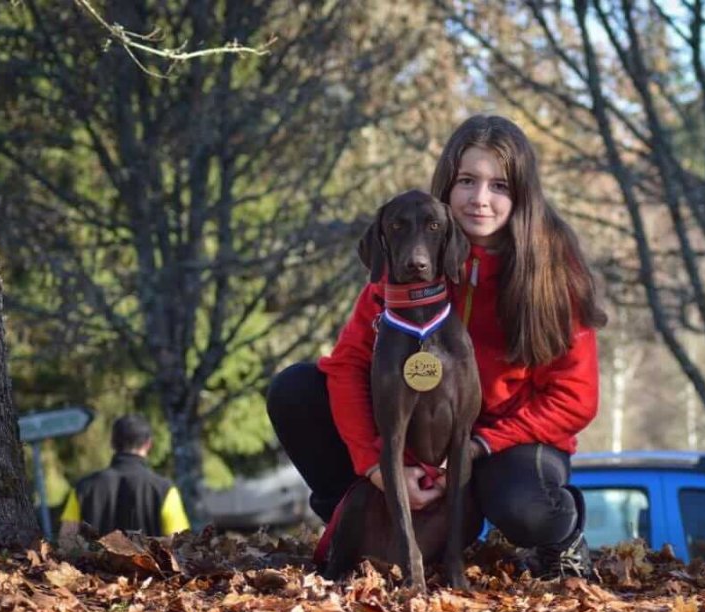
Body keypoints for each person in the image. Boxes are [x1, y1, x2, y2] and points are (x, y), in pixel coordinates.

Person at [267, 114, 607, 578]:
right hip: (413, 435)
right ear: (446, 184)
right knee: (297, 390)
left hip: (502, 441)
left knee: (525, 505)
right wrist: (377, 468)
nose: (480, 200)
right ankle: (360, 520)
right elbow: (347, 367)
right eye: (467, 180)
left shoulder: (554, 273)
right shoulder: (407, 259)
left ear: (522, 194)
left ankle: (560, 543)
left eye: (499, 185)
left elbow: (574, 399)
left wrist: (480, 445)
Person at [58, 414, 190, 543]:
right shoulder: (164, 489)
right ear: (148, 444)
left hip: (95, 565)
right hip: (149, 565)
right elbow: (178, 542)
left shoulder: (83, 488)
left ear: (112, 443)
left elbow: (66, 540)